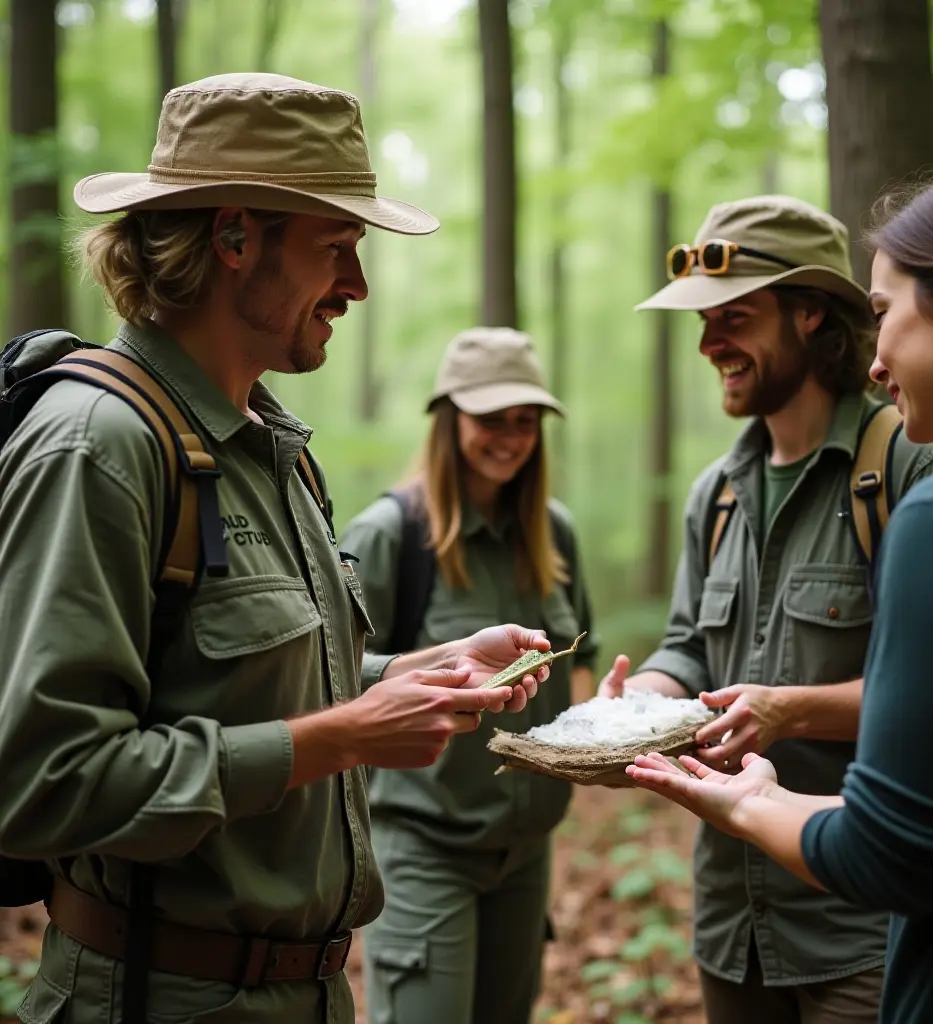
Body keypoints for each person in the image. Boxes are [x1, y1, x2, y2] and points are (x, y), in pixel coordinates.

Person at [0, 73, 553, 1024]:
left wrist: (415, 673)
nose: (359, 285)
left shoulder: (266, 446)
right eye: (337, 246)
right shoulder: (99, 444)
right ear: (233, 237)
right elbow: (41, 784)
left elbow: (246, 675)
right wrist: (343, 737)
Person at [624, 160, 933, 1023]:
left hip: (863, 926)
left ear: (811, 315)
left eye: (733, 318)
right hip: (733, 919)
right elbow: (691, 641)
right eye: (700, 324)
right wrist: (636, 703)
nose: (708, 345)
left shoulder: (926, 470)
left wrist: (789, 709)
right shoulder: (717, 493)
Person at [338, 326, 599, 1024]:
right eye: (491, 419)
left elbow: (586, 655)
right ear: (449, 419)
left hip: (527, 852)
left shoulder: (555, 532)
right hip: (424, 847)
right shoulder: (390, 535)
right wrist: (427, 674)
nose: (510, 437)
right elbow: (328, 673)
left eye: (526, 420)